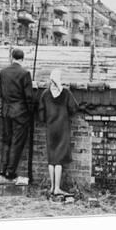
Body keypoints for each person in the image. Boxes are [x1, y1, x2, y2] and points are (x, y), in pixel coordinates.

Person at [37, 68, 79, 196]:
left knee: (52, 158)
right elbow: (74, 108)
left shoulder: (45, 94)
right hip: (63, 128)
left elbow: (41, 115)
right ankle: (57, 188)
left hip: (50, 128)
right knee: (59, 159)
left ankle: (51, 187)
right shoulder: (66, 93)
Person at [0, 48, 34, 180]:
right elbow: (29, 97)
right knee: (17, 142)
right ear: (22, 59)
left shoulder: (3, 72)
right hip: (20, 113)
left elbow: (1, 93)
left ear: (12, 57)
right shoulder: (25, 74)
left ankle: (2, 168)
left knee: (6, 140)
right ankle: (10, 171)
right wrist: (30, 112)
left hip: (6, 111)